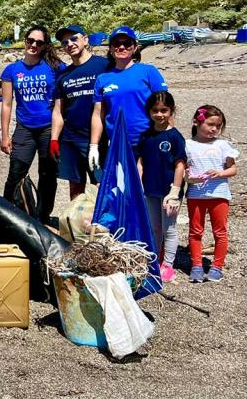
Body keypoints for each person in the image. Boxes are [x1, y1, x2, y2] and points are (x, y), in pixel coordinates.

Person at [0, 24, 63, 224]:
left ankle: (42, 217)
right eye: (30, 40)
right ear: (25, 41)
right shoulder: (12, 70)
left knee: (47, 175)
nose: (33, 45)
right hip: (24, 128)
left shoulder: (55, 68)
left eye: (39, 42)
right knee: (16, 173)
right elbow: (7, 104)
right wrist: (4, 135)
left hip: (48, 129)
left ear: (45, 46)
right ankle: (7, 215)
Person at [89, 26, 167, 175]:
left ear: (135, 47)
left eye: (127, 43)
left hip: (149, 140)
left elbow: (165, 108)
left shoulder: (148, 71)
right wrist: (94, 146)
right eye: (117, 44)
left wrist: (169, 137)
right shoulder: (103, 79)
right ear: (110, 49)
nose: (122, 47)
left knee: (151, 190)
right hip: (119, 145)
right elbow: (98, 114)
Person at [51, 24, 110, 199]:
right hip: (70, 139)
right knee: (75, 187)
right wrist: (54, 139)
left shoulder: (103, 66)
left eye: (74, 38)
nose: (69, 43)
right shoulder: (63, 75)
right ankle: (77, 223)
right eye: (64, 42)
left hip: (97, 139)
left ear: (85, 39)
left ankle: (101, 223)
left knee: (99, 185)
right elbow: (58, 111)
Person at [136, 91, 186, 283]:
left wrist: (175, 191)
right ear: (149, 112)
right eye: (155, 111)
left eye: (164, 110)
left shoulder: (175, 137)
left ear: (171, 110)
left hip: (169, 193)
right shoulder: (145, 136)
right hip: (150, 190)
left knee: (169, 229)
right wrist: (139, 186)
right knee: (155, 228)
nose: (159, 115)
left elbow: (180, 165)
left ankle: (168, 264)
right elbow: (140, 163)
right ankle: (155, 259)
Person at [185, 104, 238, 283]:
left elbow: (233, 169)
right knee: (195, 231)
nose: (214, 129)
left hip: (220, 194)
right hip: (196, 194)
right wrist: (189, 178)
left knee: (220, 231)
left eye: (218, 126)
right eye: (210, 124)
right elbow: (184, 172)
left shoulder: (223, 145)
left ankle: (217, 267)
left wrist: (220, 173)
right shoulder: (188, 145)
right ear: (197, 122)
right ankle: (197, 265)